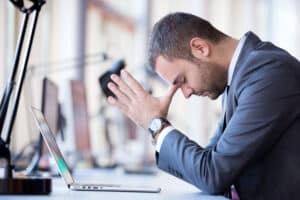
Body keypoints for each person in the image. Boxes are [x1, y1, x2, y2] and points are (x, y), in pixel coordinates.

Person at [106, 12, 300, 200]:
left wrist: (156, 125)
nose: (187, 93)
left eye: (182, 80)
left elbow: (213, 173)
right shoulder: (239, 77)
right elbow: (208, 164)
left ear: (200, 48)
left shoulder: (268, 72)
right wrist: (157, 125)